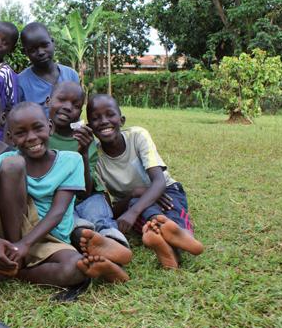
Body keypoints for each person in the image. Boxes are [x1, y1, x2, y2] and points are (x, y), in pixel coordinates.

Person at [0, 102, 129, 286]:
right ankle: (14, 256)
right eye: (21, 133)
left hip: (49, 236)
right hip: (11, 230)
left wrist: (25, 245)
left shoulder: (72, 161)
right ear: (10, 138)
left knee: (75, 268)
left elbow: (58, 212)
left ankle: (13, 271)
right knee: (13, 164)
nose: (32, 137)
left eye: (38, 128)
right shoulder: (5, 161)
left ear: (50, 127)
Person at [86, 94, 204, 269]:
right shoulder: (96, 158)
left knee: (170, 209)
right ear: (90, 128)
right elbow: (109, 208)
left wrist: (133, 212)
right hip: (132, 201)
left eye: (110, 114)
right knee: (138, 205)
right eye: (96, 118)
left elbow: (159, 182)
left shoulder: (138, 136)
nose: (103, 121)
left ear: (122, 119)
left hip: (166, 191)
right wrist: (135, 194)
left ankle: (182, 236)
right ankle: (167, 242)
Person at [46, 82, 131, 267]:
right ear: (48, 101)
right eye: (61, 100)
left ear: (80, 113)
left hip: (87, 196)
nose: (68, 107)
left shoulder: (85, 139)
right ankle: (88, 241)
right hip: (56, 203)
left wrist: (83, 153)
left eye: (76, 105)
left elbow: (85, 192)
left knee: (97, 211)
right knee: (71, 222)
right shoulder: (39, 134)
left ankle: (114, 243)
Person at [17, 22, 79, 116]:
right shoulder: (20, 82)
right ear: (25, 52)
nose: (41, 52)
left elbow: (77, 109)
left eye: (45, 45)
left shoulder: (71, 75)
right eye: (33, 50)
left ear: (52, 42)